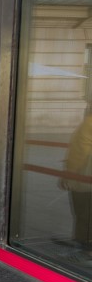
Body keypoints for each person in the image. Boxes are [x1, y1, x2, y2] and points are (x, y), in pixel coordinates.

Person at [59, 106, 92, 261]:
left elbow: (80, 152)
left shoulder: (88, 123)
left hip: (84, 179)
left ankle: (83, 249)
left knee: (82, 213)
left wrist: (68, 174)